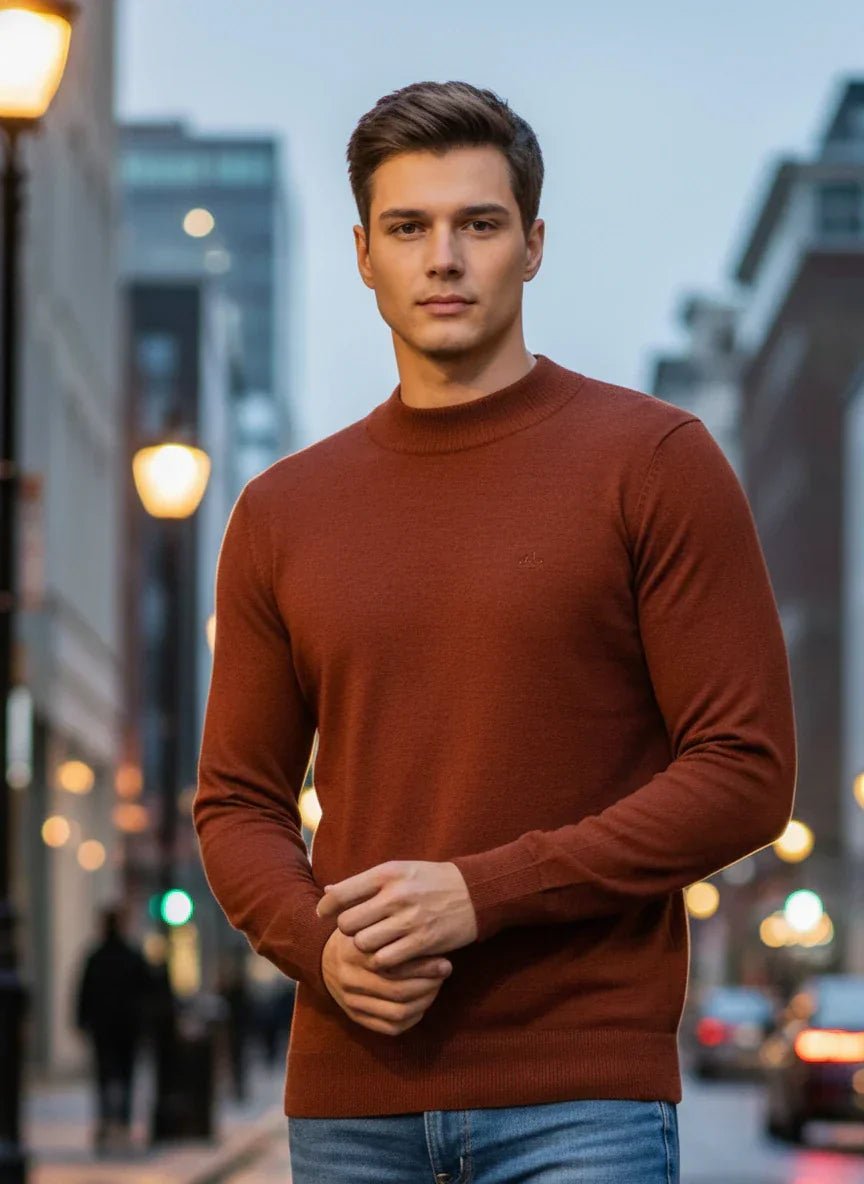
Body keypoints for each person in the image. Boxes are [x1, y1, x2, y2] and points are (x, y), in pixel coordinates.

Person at [193, 80, 797, 1183]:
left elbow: (747, 769)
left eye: (479, 223)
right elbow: (236, 800)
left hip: (581, 1102)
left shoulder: (654, 462)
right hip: (352, 1102)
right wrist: (318, 946)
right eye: (409, 227)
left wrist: (483, 892)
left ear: (533, 245)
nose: (445, 258)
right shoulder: (282, 511)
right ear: (365, 254)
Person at [74, 904, 154, 1153]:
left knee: (104, 1076)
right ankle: (121, 1124)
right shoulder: (132, 956)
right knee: (126, 1076)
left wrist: (81, 1021)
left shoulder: (95, 957)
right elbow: (146, 993)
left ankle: (107, 1122)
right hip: (126, 1029)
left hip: (103, 1028)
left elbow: (83, 993)